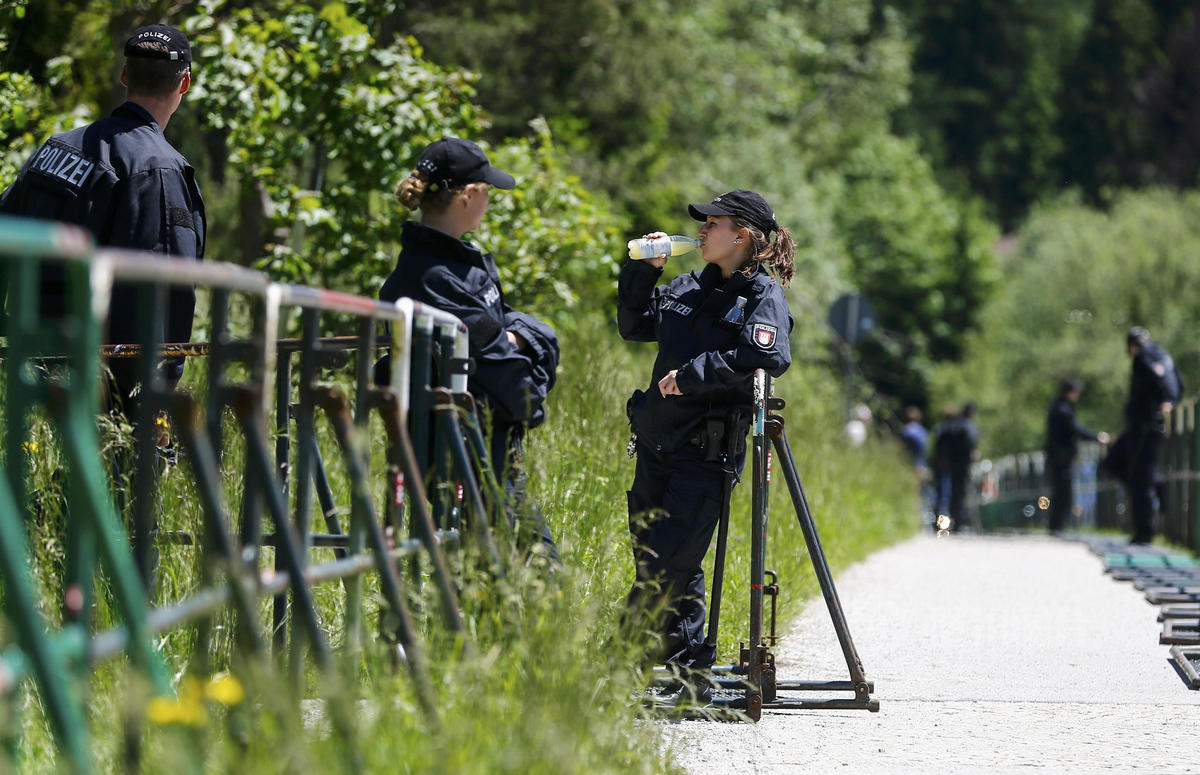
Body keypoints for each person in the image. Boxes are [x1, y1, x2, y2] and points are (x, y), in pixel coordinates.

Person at [618, 189, 794, 680]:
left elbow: (768, 357)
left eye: (711, 224)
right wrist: (642, 271)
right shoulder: (687, 286)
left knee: (667, 561)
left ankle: (622, 658)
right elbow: (634, 327)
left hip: (705, 452)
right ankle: (682, 664)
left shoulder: (762, 296)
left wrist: (695, 373)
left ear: (740, 235)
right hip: (656, 443)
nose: (700, 231)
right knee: (663, 559)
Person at [0, 24, 205, 408]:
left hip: (30, 370)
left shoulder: (55, 148)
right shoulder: (160, 169)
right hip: (106, 386)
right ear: (185, 84)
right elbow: (166, 288)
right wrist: (157, 391)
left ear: (125, 76)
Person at [379, 136, 559, 558]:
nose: (489, 200)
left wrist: (526, 337)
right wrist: (532, 401)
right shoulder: (432, 275)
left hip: (482, 444)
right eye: (487, 192)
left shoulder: (458, 264)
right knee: (537, 567)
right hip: (462, 454)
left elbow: (511, 327)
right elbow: (498, 358)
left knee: (489, 572)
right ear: (468, 195)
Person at [1106, 327, 1182, 545]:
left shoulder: (1144, 356)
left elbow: (1162, 381)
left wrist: (1165, 399)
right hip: (1148, 426)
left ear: (1131, 346)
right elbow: (1179, 384)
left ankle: (1145, 532)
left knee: (1132, 475)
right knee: (1132, 473)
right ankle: (1155, 486)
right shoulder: (1164, 355)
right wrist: (1169, 400)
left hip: (1144, 426)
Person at [1044, 379, 1109, 535]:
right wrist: (1096, 437)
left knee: (1062, 490)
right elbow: (1075, 429)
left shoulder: (1058, 407)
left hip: (1059, 455)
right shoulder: (1063, 409)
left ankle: (1057, 526)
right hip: (1060, 456)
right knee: (1062, 491)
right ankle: (1057, 526)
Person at [932, 402, 979, 532]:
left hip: (944, 464)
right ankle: (957, 522)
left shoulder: (943, 427)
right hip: (961, 465)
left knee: (942, 494)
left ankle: (940, 523)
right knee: (958, 494)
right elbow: (971, 442)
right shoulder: (967, 426)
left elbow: (937, 446)